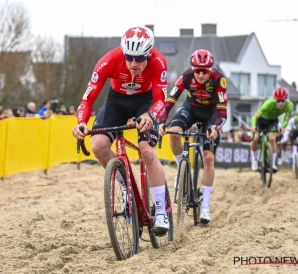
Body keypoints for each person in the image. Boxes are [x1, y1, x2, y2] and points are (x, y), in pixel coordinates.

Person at [72, 26, 169, 235]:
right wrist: (81, 122)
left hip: (146, 102)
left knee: (147, 151)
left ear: (150, 53)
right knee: (97, 144)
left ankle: (161, 210)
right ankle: (126, 187)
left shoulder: (159, 62)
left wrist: (150, 115)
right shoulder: (108, 60)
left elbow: (162, 100)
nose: (134, 64)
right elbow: (87, 99)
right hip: (116, 101)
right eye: (129, 57)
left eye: (140, 58)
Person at [158, 49, 228, 224]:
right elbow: (171, 100)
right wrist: (162, 120)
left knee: (208, 159)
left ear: (210, 69)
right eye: (198, 70)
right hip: (191, 108)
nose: (201, 74)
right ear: (192, 68)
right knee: (173, 132)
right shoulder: (186, 76)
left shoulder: (219, 79)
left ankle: (205, 206)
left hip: (211, 115)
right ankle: (183, 168)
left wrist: (215, 127)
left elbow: (222, 112)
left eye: (205, 71)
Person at [250, 87, 294, 172]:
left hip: (273, 121)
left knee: (272, 139)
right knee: (255, 139)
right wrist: (253, 126)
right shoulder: (268, 103)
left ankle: (273, 164)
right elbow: (255, 116)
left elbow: (286, 119)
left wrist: (282, 126)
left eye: (283, 101)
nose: (280, 104)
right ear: (275, 99)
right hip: (261, 120)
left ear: (286, 99)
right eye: (278, 101)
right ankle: (254, 160)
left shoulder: (290, 105)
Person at [278, 107, 298, 179]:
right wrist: (285, 140)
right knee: (288, 139)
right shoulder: (293, 120)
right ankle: (290, 156)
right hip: (296, 131)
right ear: (297, 115)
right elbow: (288, 130)